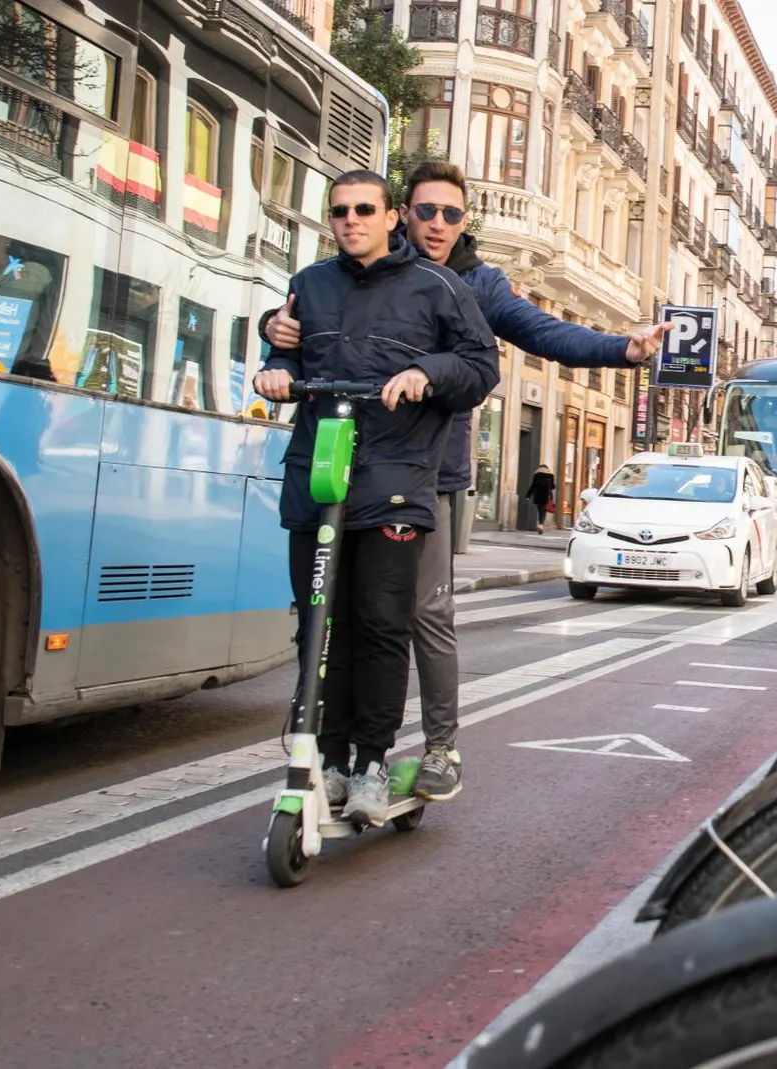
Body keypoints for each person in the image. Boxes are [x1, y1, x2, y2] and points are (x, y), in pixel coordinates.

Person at [262, 160, 673, 803]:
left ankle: (439, 746)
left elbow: (543, 332)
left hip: (431, 470)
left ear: (463, 221)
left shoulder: (476, 283)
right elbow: (313, 319)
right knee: (331, 609)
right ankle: (325, 728)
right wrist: (272, 332)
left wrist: (622, 349)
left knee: (417, 612)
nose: (438, 225)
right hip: (343, 465)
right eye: (426, 211)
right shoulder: (356, 264)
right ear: (403, 215)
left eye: (452, 214)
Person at [252, 170, 499, 827]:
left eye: (365, 209)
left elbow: (481, 367)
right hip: (319, 481)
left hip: (395, 485)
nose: (351, 220)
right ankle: (327, 761)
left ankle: (371, 763)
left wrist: (426, 372)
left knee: (381, 626)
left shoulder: (439, 286)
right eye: (339, 211)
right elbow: (285, 353)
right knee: (318, 626)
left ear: (392, 217)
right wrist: (274, 368)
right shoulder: (309, 286)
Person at [528, 465, 557, 533]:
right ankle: (541, 524)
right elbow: (552, 487)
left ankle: (540, 523)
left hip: (538, 496)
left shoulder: (536, 475)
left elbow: (533, 486)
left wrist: (528, 495)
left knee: (540, 510)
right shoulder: (550, 476)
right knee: (543, 511)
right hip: (547, 496)